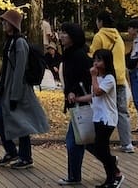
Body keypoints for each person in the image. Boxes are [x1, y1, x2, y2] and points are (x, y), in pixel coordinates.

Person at [0, 9, 49, 170]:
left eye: (5, 22)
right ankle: (12, 152)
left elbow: (20, 69)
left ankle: (25, 156)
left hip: (18, 90)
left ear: (13, 24)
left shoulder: (19, 43)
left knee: (22, 122)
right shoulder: (9, 42)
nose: (3, 24)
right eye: (3, 21)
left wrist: (15, 95)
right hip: (6, 87)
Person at [78, 49, 124, 188]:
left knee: (100, 148)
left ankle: (116, 174)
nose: (96, 63)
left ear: (107, 62)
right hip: (97, 117)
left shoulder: (109, 78)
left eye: (99, 60)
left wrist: (93, 76)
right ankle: (110, 175)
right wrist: (78, 98)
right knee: (96, 147)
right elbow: (92, 96)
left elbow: (98, 92)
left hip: (107, 118)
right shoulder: (98, 78)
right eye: (95, 60)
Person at [91, 11, 134, 154]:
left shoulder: (99, 36)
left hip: (105, 78)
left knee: (102, 109)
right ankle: (127, 143)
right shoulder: (118, 37)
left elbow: (94, 55)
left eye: (97, 21)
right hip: (119, 77)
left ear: (101, 22)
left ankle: (101, 142)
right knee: (122, 111)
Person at [56, 22, 92, 186]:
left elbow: (84, 78)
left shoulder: (78, 55)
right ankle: (110, 163)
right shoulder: (69, 53)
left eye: (65, 33)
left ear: (73, 36)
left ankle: (74, 176)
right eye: (61, 32)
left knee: (74, 141)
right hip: (75, 103)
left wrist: (74, 92)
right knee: (84, 141)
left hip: (81, 103)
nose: (61, 36)